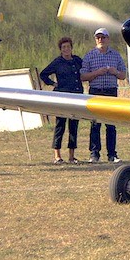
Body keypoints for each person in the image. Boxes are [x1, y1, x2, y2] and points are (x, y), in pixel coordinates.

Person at [81, 27, 126, 163]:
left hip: (111, 91)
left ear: (108, 39)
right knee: (95, 124)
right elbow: (83, 76)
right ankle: (94, 154)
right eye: (98, 37)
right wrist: (97, 73)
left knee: (111, 124)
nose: (100, 40)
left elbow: (123, 75)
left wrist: (114, 72)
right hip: (95, 91)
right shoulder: (89, 56)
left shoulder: (116, 55)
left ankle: (112, 154)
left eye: (103, 37)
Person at [40, 36, 83, 164]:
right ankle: (57, 155)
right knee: (60, 125)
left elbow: (86, 70)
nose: (66, 49)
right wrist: (53, 84)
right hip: (62, 97)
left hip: (76, 95)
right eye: (63, 47)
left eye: (68, 47)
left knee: (73, 126)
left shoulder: (77, 61)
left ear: (71, 48)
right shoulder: (57, 62)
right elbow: (43, 74)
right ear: (60, 49)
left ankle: (71, 155)